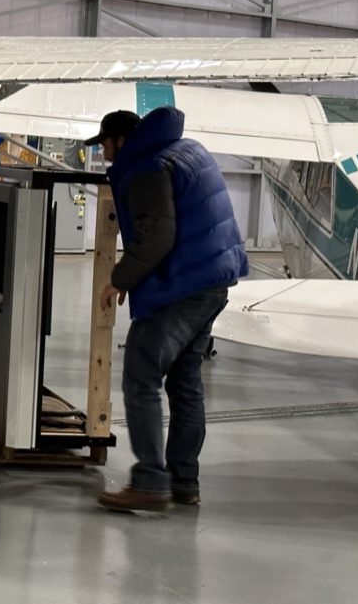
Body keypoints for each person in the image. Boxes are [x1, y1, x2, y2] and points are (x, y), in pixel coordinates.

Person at [90, 107, 248, 513]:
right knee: (185, 382)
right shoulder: (186, 149)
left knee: (141, 373)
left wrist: (120, 279)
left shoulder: (146, 167)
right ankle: (183, 481)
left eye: (105, 145)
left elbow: (157, 236)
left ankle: (149, 483)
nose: (104, 154)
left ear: (121, 141)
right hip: (213, 281)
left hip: (184, 286)